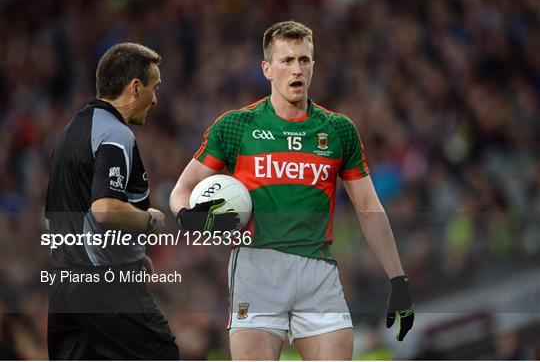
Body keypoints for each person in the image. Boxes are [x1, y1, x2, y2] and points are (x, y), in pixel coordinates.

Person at [170, 21, 413, 360]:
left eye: (304, 60)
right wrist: (189, 217)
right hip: (256, 269)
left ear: (313, 65)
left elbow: (368, 207)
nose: (297, 69)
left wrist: (398, 279)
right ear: (267, 68)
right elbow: (183, 188)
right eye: (286, 61)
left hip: (317, 272)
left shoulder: (339, 130)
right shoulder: (237, 126)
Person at [45, 43, 179, 359]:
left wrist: (128, 253)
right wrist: (151, 221)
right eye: (154, 87)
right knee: (162, 354)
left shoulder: (68, 134)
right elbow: (104, 209)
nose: (156, 98)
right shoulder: (116, 134)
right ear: (135, 87)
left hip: (65, 289)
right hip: (107, 287)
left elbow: (53, 219)